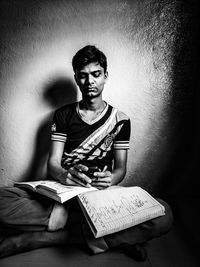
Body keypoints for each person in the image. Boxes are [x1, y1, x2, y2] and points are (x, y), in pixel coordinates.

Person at [0, 45, 173, 261]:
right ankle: (113, 235)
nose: (90, 81)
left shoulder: (121, 120)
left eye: (96, 74)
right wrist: (64, 175)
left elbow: (120, 169)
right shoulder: (62, 115)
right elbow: (52, 163)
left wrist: (111, 178)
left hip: (100, 195)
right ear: (76, 78)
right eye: (83, 76)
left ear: (105, 76)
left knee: (163, 213)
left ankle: (42, 238)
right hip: (64, 194)